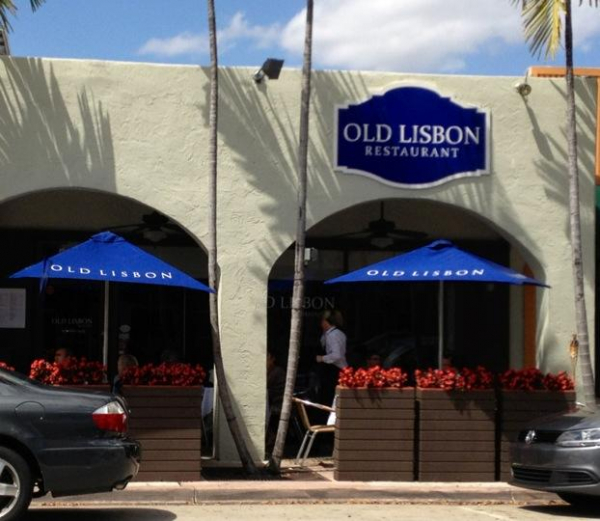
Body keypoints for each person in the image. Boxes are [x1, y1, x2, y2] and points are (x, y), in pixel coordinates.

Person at [315, 309, 348, 407]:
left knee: (329, 399)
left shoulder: (332, 335)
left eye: (322, 321)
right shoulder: (336, 333)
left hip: (333, 371)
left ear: (325, 321)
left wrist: (321, 358)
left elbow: (336, 355)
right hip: (336, 370)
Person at [266, 351, 286, 452]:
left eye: (267, 358)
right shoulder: (271, 371)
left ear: (272, 359)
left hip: (278, 403)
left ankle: (271, 437)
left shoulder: (276, 371)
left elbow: (266, 384)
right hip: (272, 401)